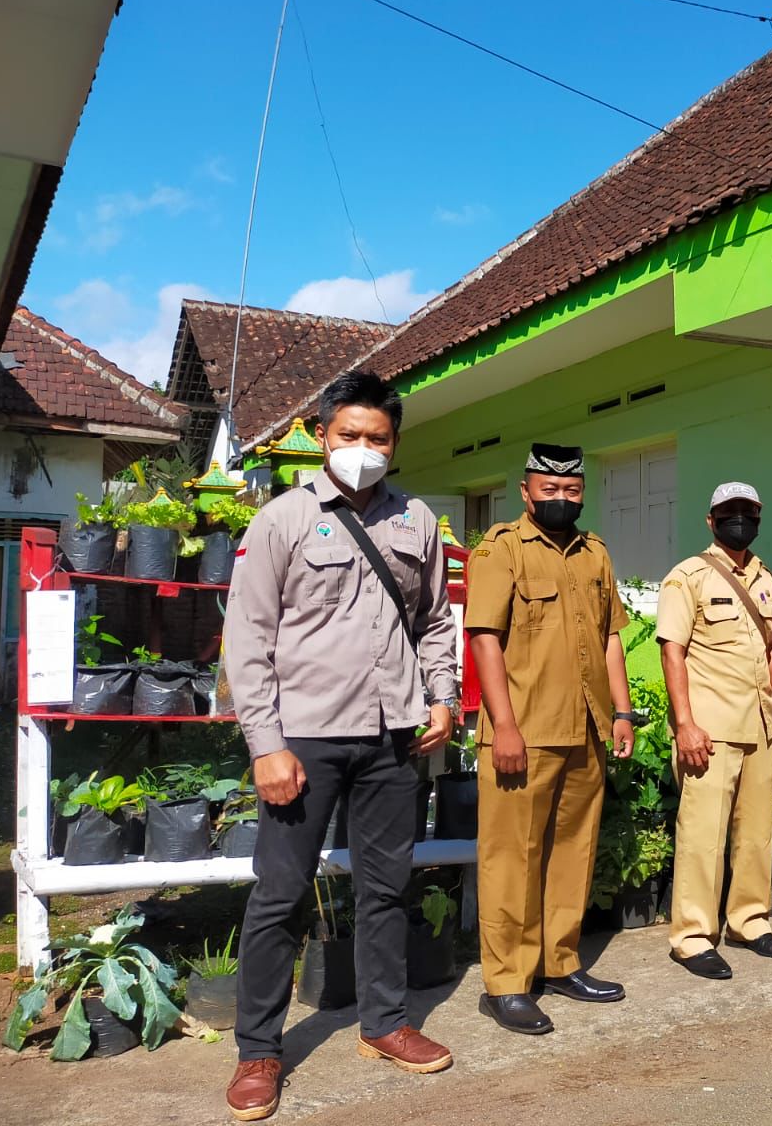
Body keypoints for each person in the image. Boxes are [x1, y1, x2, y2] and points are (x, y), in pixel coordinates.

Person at [223, 370, 459, 1122]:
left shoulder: (417, 521)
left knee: (388, 887)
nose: (362, 449)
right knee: (280, 894)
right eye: (349, 435)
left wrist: (443, 695)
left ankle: (384, 1022)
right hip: (305, 741)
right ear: (321, 436)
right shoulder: (282, 521)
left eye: (377, 438)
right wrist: (266, 743)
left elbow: (431, 623)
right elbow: (248, 637)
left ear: (396, 443)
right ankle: (259, 1048)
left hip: (394, 737)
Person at [465, 443, 640, 1035]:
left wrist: (622, 711)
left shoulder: (595, 554)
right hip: (524, 733)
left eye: (571, 492)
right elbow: (484, 639)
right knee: (511, 860)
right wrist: (505, 726)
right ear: (526, 492)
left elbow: (611, 637)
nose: (561, 501)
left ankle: (560, 963)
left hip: (586, 728)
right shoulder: (501, 550)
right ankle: (507, 984)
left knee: (573, 854)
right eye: (549, 491)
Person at [657, 482, 772, 979]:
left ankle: (749, 921)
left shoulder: (764, 578)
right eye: (729, 512)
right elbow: (672, 651)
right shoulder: (686, 577)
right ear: (711, 520)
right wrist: (685, 724)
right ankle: (693, 937)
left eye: (749, 512)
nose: (740, 519)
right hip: (710, 730)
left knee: (757, 835)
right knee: (702, 836)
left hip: (760, 725)